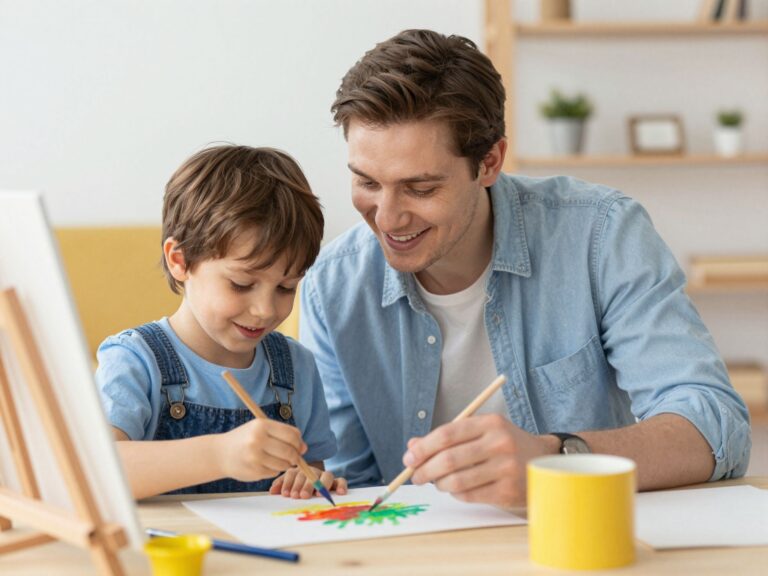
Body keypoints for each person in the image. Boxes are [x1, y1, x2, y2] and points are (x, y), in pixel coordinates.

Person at [299, 29, 751, 507]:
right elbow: (355, 487)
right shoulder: (333, 288)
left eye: (422, 189)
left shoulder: (601, 236)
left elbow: (716, 427)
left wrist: (556, 460)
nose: (387, 218)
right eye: (367, 182)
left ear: (490, 162)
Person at [96, 145, 346, 500]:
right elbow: (100, 471)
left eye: (286, 287)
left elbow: (314, 471)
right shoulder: (134, 360)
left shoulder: (297, 368)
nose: (264, 309)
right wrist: (219, 455)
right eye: (241, 284)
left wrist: (310, 480)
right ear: (179, 260)